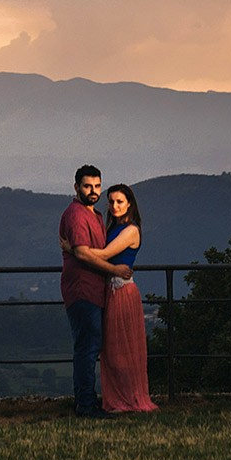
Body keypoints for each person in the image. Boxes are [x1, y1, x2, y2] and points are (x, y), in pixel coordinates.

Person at [70, 183, 157, 413]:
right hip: (110, 290)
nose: (114, 206)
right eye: (111, 201)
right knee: (111, 349)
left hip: (122, 292)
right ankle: (116, 397)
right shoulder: (113, 228)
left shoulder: (131, 230)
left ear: (129, 203)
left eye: (119, 201)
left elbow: (106, 254)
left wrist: (76, 250)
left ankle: (128, 398)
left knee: (122, 350)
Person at [59, 164, 128, 418]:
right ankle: (86, 406)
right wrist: (114, 270)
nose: (93, 191)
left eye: (97, 186)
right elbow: (82, 253)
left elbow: (88, 250)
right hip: (82, 289)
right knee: (87, 348)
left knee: (90, 347)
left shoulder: (96, 215)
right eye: (88, 186)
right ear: (76, 186)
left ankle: (87, 401)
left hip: (94, 290)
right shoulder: (77, 215)